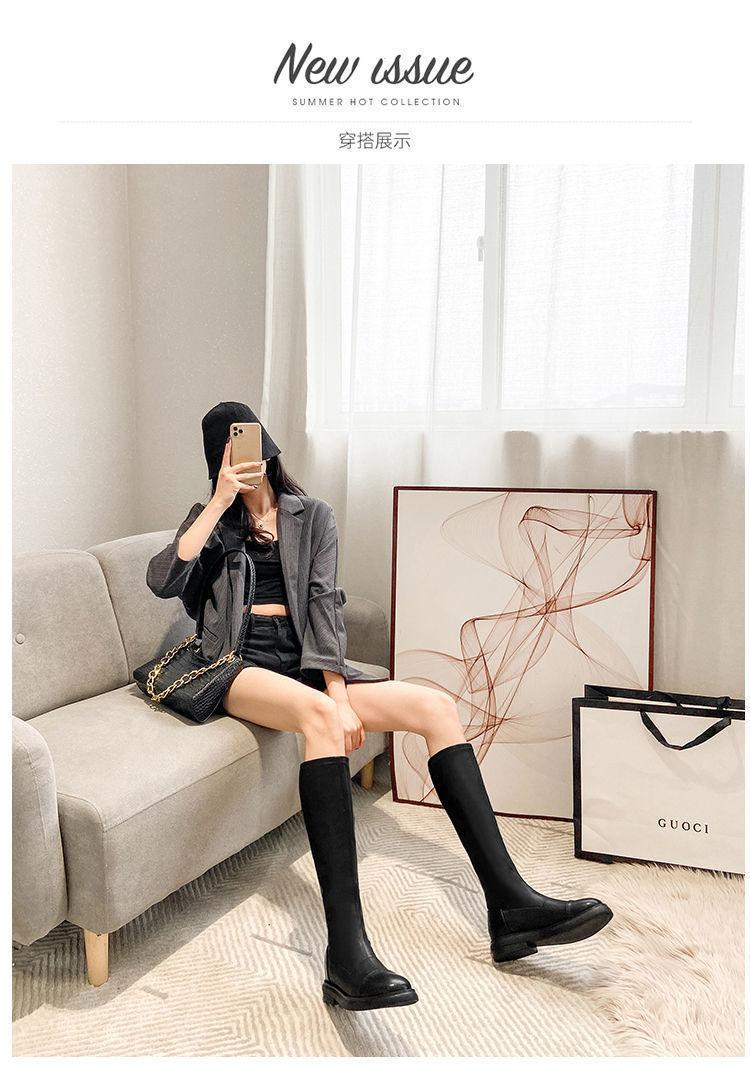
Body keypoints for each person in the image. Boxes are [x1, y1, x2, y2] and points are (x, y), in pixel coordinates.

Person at [146, 401, 613, 1012]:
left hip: (303, 664)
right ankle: (346, 953)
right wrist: (217, 503)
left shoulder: (312, 515)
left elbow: (324, 605)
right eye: (228, 453)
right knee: (320, 719)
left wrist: (339, 692)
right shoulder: (211, 523)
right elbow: (162, 579)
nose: (244, 460)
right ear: (218, 462)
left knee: (435, 707)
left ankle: (510, 904)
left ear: (269, 446)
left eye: (250, 445)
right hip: (235, 664)